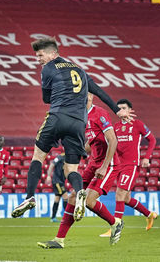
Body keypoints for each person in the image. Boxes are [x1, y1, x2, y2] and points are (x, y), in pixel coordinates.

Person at [11, 37, 134, 221]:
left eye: (40, 55)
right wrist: (118, 111)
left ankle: (29, 198)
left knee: (38, 155)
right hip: (78, 123)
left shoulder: (48, 69)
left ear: (53, 54)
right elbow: (99, 91)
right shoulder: (80, 70)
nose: (39, 59)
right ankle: (80, 192)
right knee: (72, 167)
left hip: (58, 117)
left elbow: (46, 99)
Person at [38, 93, 124, 249]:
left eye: (88, 94)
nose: (85, 97)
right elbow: (92, 141)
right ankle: (59, 240)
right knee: (73, 198)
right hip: (93, 163)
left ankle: (115, 223)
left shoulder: (100, 113)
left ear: (92, 96)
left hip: (109, 164)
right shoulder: (78, 116)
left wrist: (104, 167)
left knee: (89, 201)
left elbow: (113, 140)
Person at [100, 99, 157, 237]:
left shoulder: (138, 124)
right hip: (119, 164)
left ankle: (116, 226)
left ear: (130, 110)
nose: (121, 111)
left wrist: (147, 157)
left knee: (119, 193)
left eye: (124, 108)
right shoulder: (116, 126)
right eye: (119, 108)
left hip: (131, 164)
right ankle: (149, 214)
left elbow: (152, 140)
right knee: (125, 198)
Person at [46, 153, 68, 222]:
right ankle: (67, 217)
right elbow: (52, 164)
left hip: (60, 181)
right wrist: (49, 176)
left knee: (57, 199)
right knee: (66, 197)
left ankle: (53, 218)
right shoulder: (60, 157)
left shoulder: (68, 158)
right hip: (57, 181)